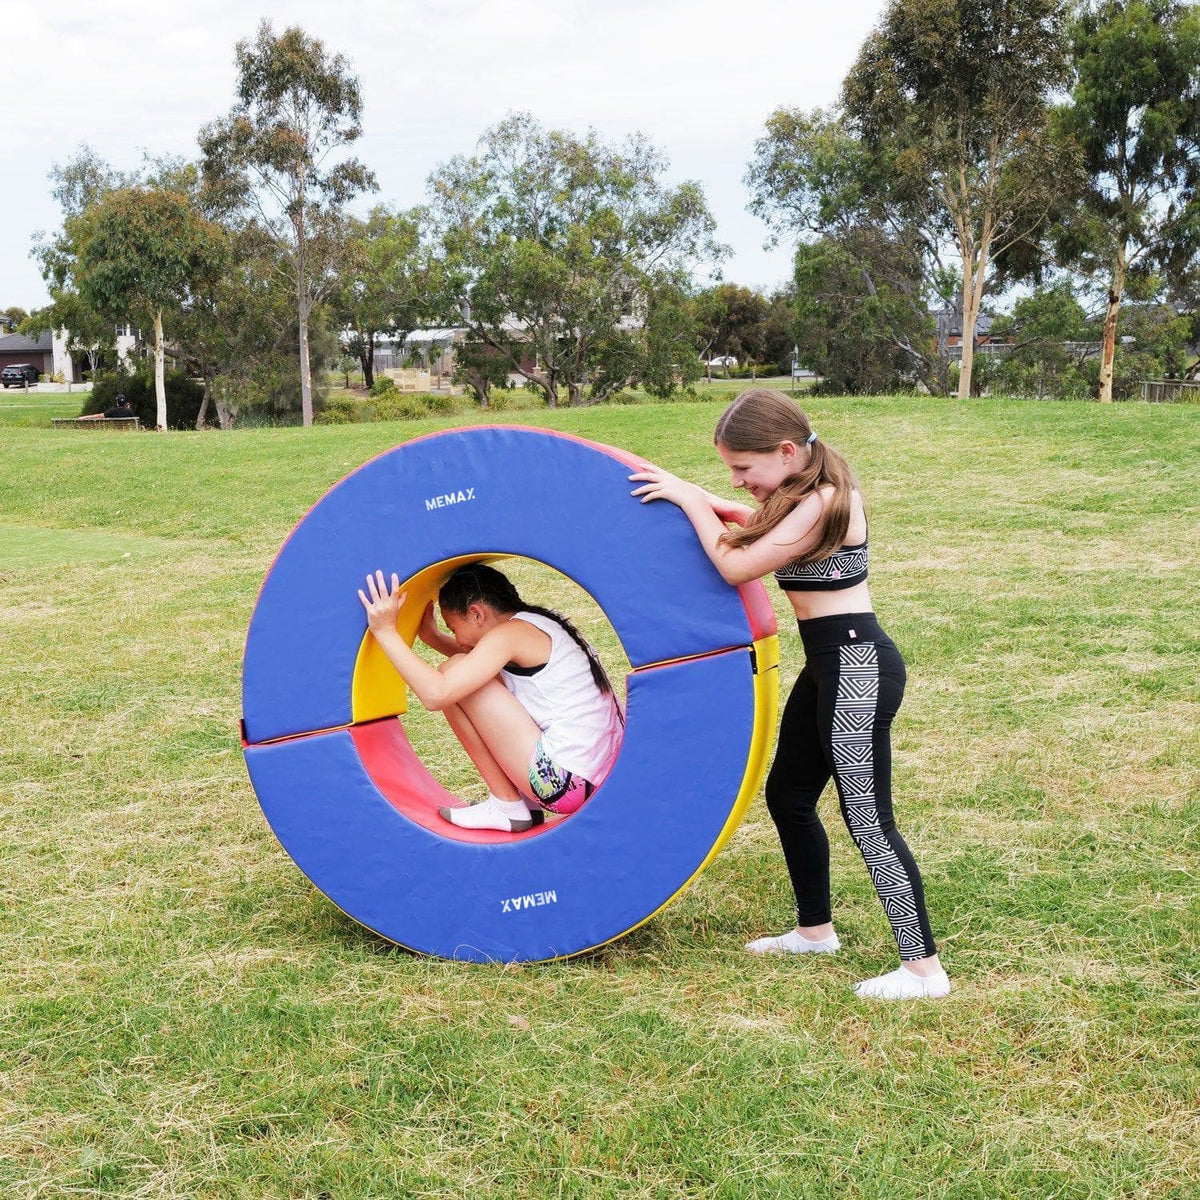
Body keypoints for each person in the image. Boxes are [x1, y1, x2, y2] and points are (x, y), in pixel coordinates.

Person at [630, 388, 950, 1001]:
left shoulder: (830, 501)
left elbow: (734, 564)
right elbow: (752, 524)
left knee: (868, 816)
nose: (739, 481)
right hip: (829, 664)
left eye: (743, 469)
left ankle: (923, 971)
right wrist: (702, 498)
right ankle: (814, 931)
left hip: (858, 665)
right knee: (790, 793)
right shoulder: (800, 496)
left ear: (784, 452)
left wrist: (691, 500)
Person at [357, 563, 624, 832]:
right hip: (604, 777)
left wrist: (385, 631)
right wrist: (435, 639)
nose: (458, 640)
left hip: (563, 784)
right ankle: (514, 805)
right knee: (462, 669)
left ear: (476, 614)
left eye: (452, 628)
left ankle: (507, 807)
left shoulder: (509, 635)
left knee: (452, 671)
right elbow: (485, 666)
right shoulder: (536, 625)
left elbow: (435, 695)